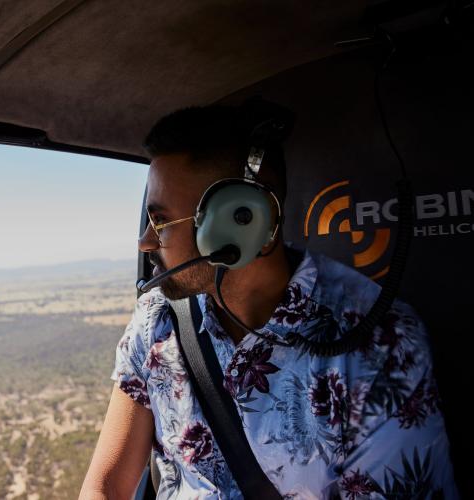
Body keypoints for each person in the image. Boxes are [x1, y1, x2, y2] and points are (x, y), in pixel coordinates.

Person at [79, 103, 457, 499]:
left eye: (160, 222)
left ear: (243, 220)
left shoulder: (380, 345)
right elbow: (107, 484)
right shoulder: (157, 319)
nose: (145, 242)